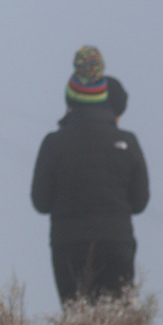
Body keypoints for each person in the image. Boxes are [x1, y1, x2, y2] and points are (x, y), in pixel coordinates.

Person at [31, 47, 150, 305]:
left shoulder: (53, 144)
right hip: (116, 242)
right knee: (115, 321)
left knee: (77, 319)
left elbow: (41, 202)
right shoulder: (127, 143)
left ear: (71, 99)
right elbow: (140, 202)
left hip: (69, 245)